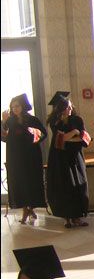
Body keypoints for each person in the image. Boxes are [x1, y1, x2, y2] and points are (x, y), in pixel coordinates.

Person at [45, 92, 91, 228]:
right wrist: (75, 132)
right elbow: (61, 139)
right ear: (60, 109)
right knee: (64, 186)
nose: (69, 109)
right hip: (60, 158)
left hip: (75, 157)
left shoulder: (77, 119)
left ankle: (77, 217)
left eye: (70, 106)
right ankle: (67, 218)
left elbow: (85, 138)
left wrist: (71, 136)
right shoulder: (55, 121)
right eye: (66, 107)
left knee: (79, 185)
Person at [0, 93, 47, 225]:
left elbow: (43, 134)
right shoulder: (9, 121)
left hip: (31, 156)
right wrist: (3, 122)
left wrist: (32, 132)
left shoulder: (32, 119)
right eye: (12, 106)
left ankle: (30, 208)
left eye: (17, 106)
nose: (14, 109)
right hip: (15, 157)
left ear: (23, 106)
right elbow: (4, 137)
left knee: (31, 182)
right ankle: (25, 209)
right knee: (19, 182)